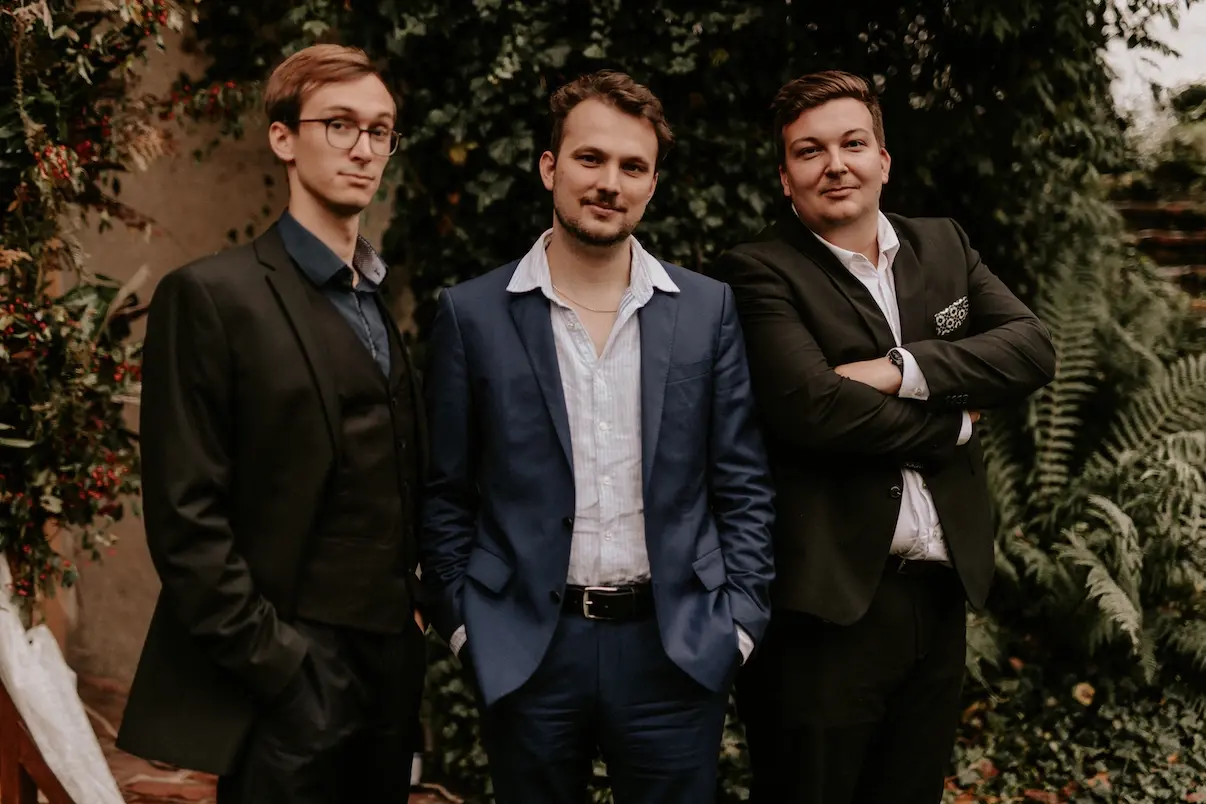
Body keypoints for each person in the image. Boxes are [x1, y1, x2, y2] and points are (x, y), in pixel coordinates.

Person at [419, 69, 776, 804]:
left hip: (675, 646)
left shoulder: (706, 311)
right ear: (549, 167)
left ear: (653, 184)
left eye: (632, 166)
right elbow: (444, 490)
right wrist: (464, 625)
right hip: (527, 646)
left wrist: (737, 625)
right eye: (591, 158)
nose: (610, 182)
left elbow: (742, 482)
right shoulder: (471, 315)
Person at [711, 70, 1057, 804]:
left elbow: (1030, 349)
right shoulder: (757, 271)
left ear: (884, 159)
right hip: (823, 610)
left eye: (853, 144)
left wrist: (901, 369)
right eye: (810, 151)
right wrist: (954, 420)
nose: (835, 165)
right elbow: (814, 409)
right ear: (785, 178)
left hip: (940, 596)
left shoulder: (945, 246)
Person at [117, 44, 428, 803]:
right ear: (283, 138)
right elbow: (186, 519)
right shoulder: (211, 297)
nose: (363, 148)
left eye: (380, 130)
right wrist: (280, 665)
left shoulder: (378, 302)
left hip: (391, 676)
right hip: (289, 677)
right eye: (339, 124)